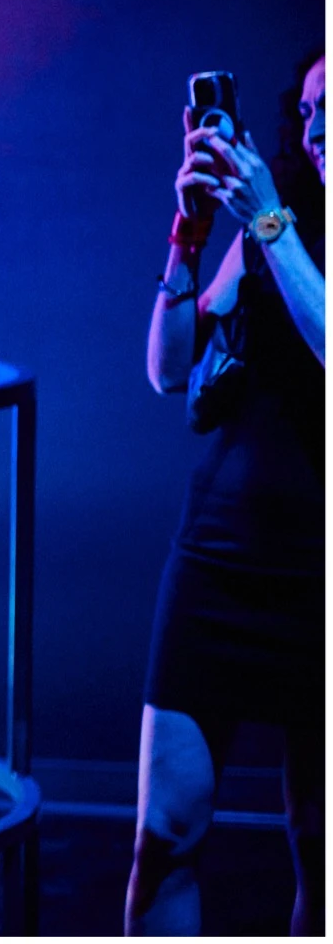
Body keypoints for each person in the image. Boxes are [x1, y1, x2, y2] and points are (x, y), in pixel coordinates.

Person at [132, 52, 325, 935]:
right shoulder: (275, 220)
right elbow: (168, 369)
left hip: (319, 579)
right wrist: (191, 227)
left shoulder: (279, 221)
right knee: (164, 836)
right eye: (314, 111)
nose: (321, 129)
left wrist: (272, 224)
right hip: (218, 559)